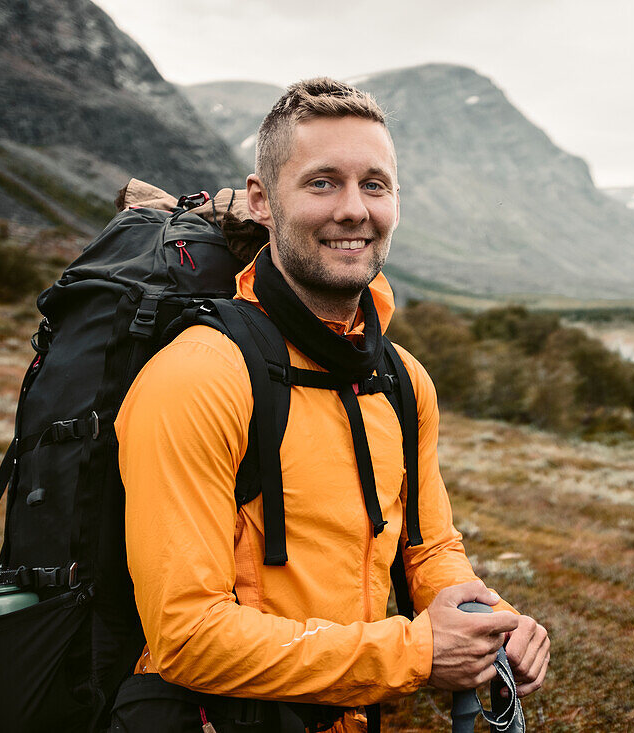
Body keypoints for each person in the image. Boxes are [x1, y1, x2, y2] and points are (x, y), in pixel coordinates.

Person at [114, 78, 549, 732]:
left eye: (374, 184)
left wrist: (488, 619)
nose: (354, 209)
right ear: (262, 201)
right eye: (322, 182)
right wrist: (416, 652)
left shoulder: (403, 381)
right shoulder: (197, 376)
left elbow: (430, 551)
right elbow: (186, 635)